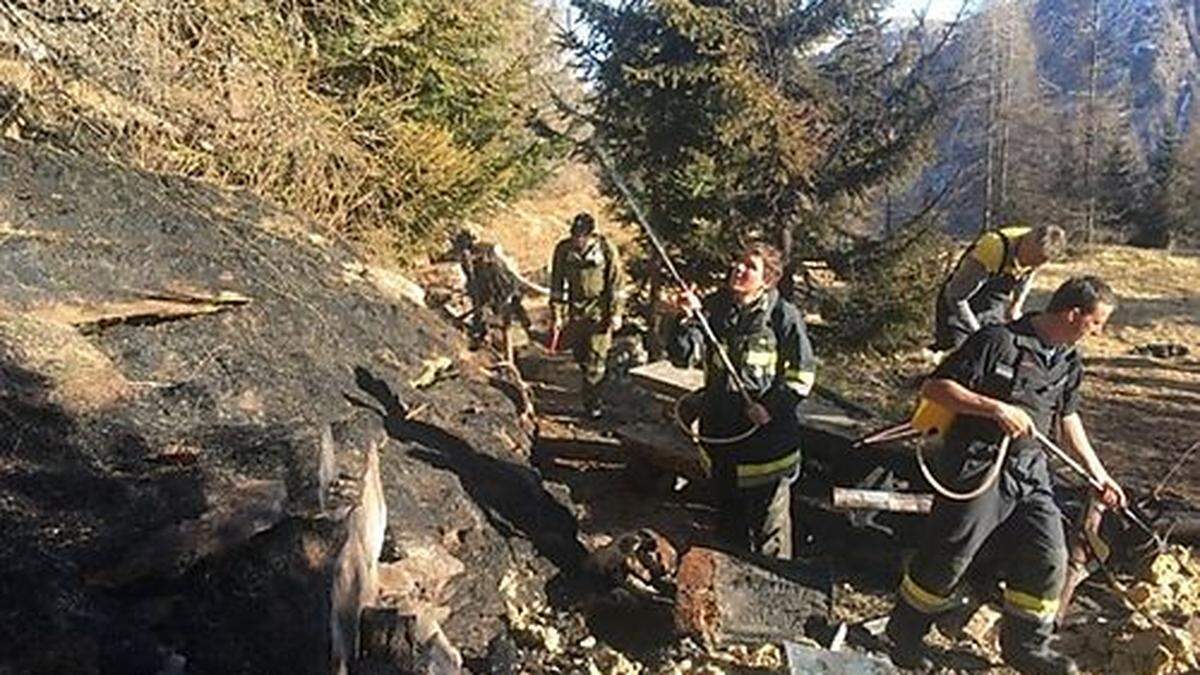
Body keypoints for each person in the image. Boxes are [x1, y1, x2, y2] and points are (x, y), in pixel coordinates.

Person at [888, 276, 1127, 674]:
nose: (1099, 332)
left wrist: (1098, 475)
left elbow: (1068, 419)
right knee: (950, 556)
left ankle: (1026, 648)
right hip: (979, 466)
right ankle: (904, 636)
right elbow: (936, 389)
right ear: (1073, 314)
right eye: (1096, 322)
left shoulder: (1069, 360)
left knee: (1049, 556)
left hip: (1031, 473)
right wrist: (994, 408)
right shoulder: (998, 341)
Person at [668, 243, 816, 559]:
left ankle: (774, 592)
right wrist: (683, 319)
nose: (738, 268)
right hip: (722, 442)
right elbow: (682, 357)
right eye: (737, 261)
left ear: (768, 279)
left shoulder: (783, 316)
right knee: (727, 532)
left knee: (770, 537)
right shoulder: (713, 308)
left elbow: (802, 375)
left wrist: (770, 408)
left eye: (750, 266)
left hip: (768, 451)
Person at [934, 224, 1067, 354]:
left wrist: (1016, 305)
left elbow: (1028, 275)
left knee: (996, 352)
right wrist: (978, 333)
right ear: (1026, 243)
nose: (1028, 266)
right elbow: (955, 297)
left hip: (993, 302)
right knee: (962, 354)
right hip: (958, 304)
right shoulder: (993, 248)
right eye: (1030, 260)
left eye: (1037, 264)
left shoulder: (1038, 249)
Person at [549, 212, 624, 418]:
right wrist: (557, 314)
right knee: (581, 356)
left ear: (592, 235)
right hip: (576, 311)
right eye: (575, 236)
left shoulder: (606, 249)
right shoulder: (563, 250)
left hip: (600, 312)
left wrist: (616, 313)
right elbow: (557, 285)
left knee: (596, 359)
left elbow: (616, 284)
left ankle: (593, 405)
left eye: (582, 237)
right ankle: (590, 393)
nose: (578, 241)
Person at [450, 229, 544, 360]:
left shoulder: (489, 255)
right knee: (488, 321)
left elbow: (504, 277)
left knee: (509, 322)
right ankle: (488, 344)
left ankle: (513, 355)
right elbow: (472, 281)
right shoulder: (469, 259)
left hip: (503, 289)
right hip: (487, 290)